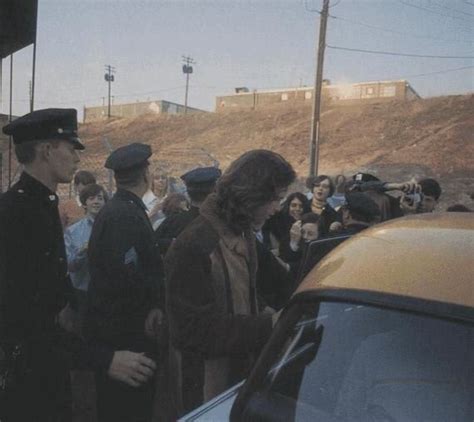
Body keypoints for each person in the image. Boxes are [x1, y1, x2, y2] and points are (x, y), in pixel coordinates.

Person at [0, 109, 157, 421]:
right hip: (28, 375)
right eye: (71, 148)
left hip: (47, 366)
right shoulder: (16, 214)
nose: (77, 158)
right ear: (47, 150)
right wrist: (104, 359)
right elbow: (24, 319)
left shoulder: (40, 205)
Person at [165, 150, 296, 415]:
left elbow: (258, 290)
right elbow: (193, 331)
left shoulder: (244, 232)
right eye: (275, 199)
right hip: (205, 392)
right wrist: (268, 324)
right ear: (252, 195)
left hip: (238, 381)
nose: (277, 208)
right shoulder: (194, 245)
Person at [86, 143, 165, 422]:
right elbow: (126, 277)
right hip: (126, 340)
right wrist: (152, 304)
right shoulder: (123, 214)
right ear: (146, 174)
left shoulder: (121, 208)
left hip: (123, 335)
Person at [64, 183, 108, 327]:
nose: (96, 201)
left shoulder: (114, 228)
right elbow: (69, 265)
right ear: (85, 204)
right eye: (91, 198)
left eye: (100, 198)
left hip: (108, 292)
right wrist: (82, 252)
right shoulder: (73, 231)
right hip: (82, 293)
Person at [154, 166, 221, 257]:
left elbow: (153, 244)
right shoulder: (222, 223)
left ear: (189, 193)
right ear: (214, 192)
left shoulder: (172, 222)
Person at [262, 192, 311, 256]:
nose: (297, 209)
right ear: (288, 206)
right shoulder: (275, 222)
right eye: (294, 205)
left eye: (301, 206)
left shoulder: (309, 224)